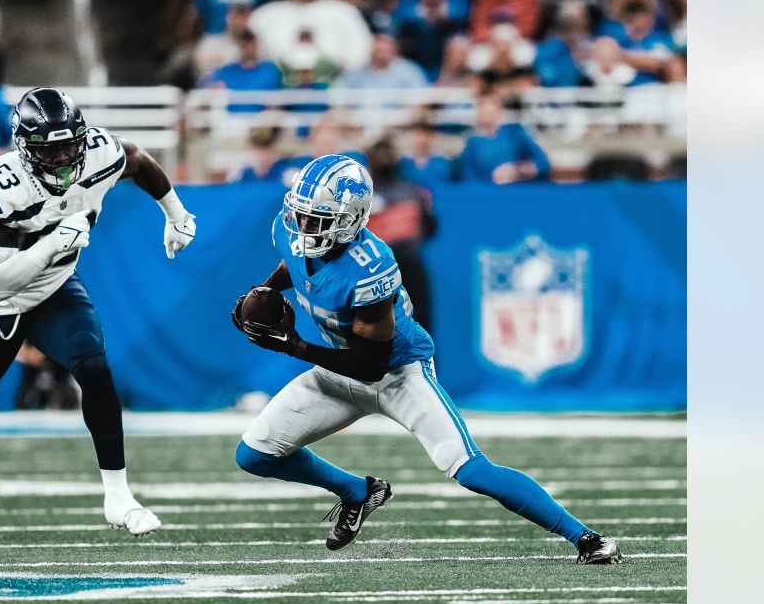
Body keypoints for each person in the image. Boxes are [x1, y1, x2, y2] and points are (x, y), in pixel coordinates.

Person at [228, 154, 622, 565]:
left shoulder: (370, 269)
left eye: (318, 220)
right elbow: (295, 261)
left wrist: (295, 347)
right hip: (338, 368)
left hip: (398, 375)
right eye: (302, 215)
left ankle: (586, 537)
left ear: (351, 219)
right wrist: (265, 291)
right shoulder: (291, 230)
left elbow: (371, 366)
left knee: (469, 469)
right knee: (255, 454)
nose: (304, 229)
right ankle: (358, 492)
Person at [0, 88, 197, 538]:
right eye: (49, 149)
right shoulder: (0, 186)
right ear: (24, 147)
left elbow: (136, 160)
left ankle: (118, 495)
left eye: (68, 145)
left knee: (93, 366)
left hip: (55, 288)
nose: (62, 158)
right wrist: (53, 243)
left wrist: (175, 214)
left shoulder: (99, 152)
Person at [365, 137, 436, 332]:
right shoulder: (361, 195)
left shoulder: (412, 192)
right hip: (373, 273)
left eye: (387, 153)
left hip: (410, 269)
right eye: (379, 154)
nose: (383, 158)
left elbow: (430, 228)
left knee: (418, 327)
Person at [456, 89, 550, 184]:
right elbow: (468, 179)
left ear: (499, 108)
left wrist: (518, 170)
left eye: (491, 104)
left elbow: (543, 163)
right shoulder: (472, 143)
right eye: (481, 105)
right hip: (489, 194)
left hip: (519, 191)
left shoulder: (515, 132)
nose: (486, 110)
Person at [344, 33, 429, 89]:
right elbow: (340, 99)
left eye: (384, 51)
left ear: (393, 51)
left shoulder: (409, 71)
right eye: (377, 52)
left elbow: (420, 101)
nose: (381, 56)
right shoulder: (356, 73)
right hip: (361, 115)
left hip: (400, 116)